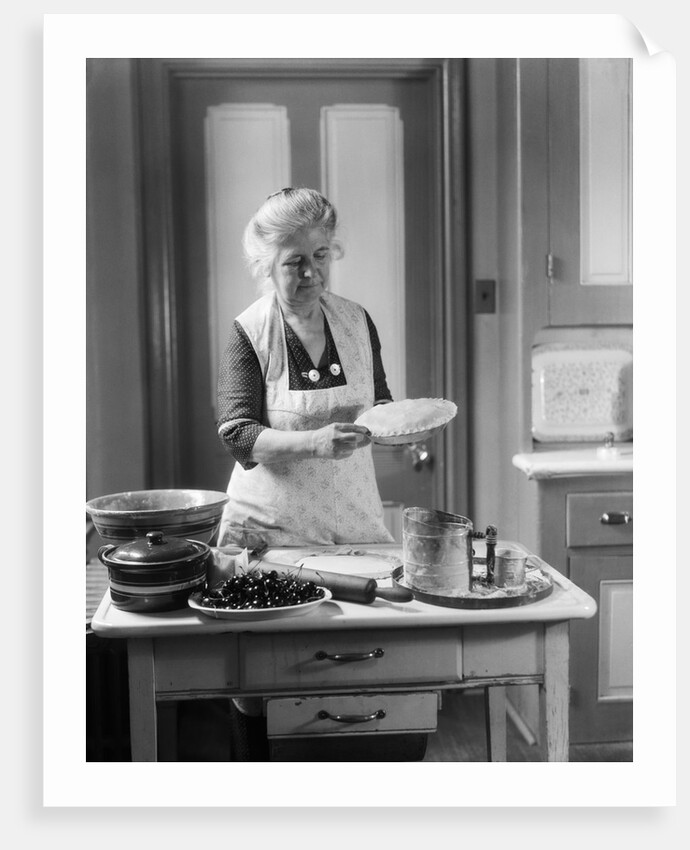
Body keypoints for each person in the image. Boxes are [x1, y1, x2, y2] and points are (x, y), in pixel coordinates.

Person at [216, 187, 395, 550]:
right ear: (266, 264)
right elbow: (238, 435)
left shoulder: (357, 321)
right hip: (268, 534)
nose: (311, 271)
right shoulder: (249, 332)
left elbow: (379, 404)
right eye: (294, 261)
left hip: (355, 525)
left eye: (320, 255)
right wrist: (315, 442)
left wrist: (405, 424)